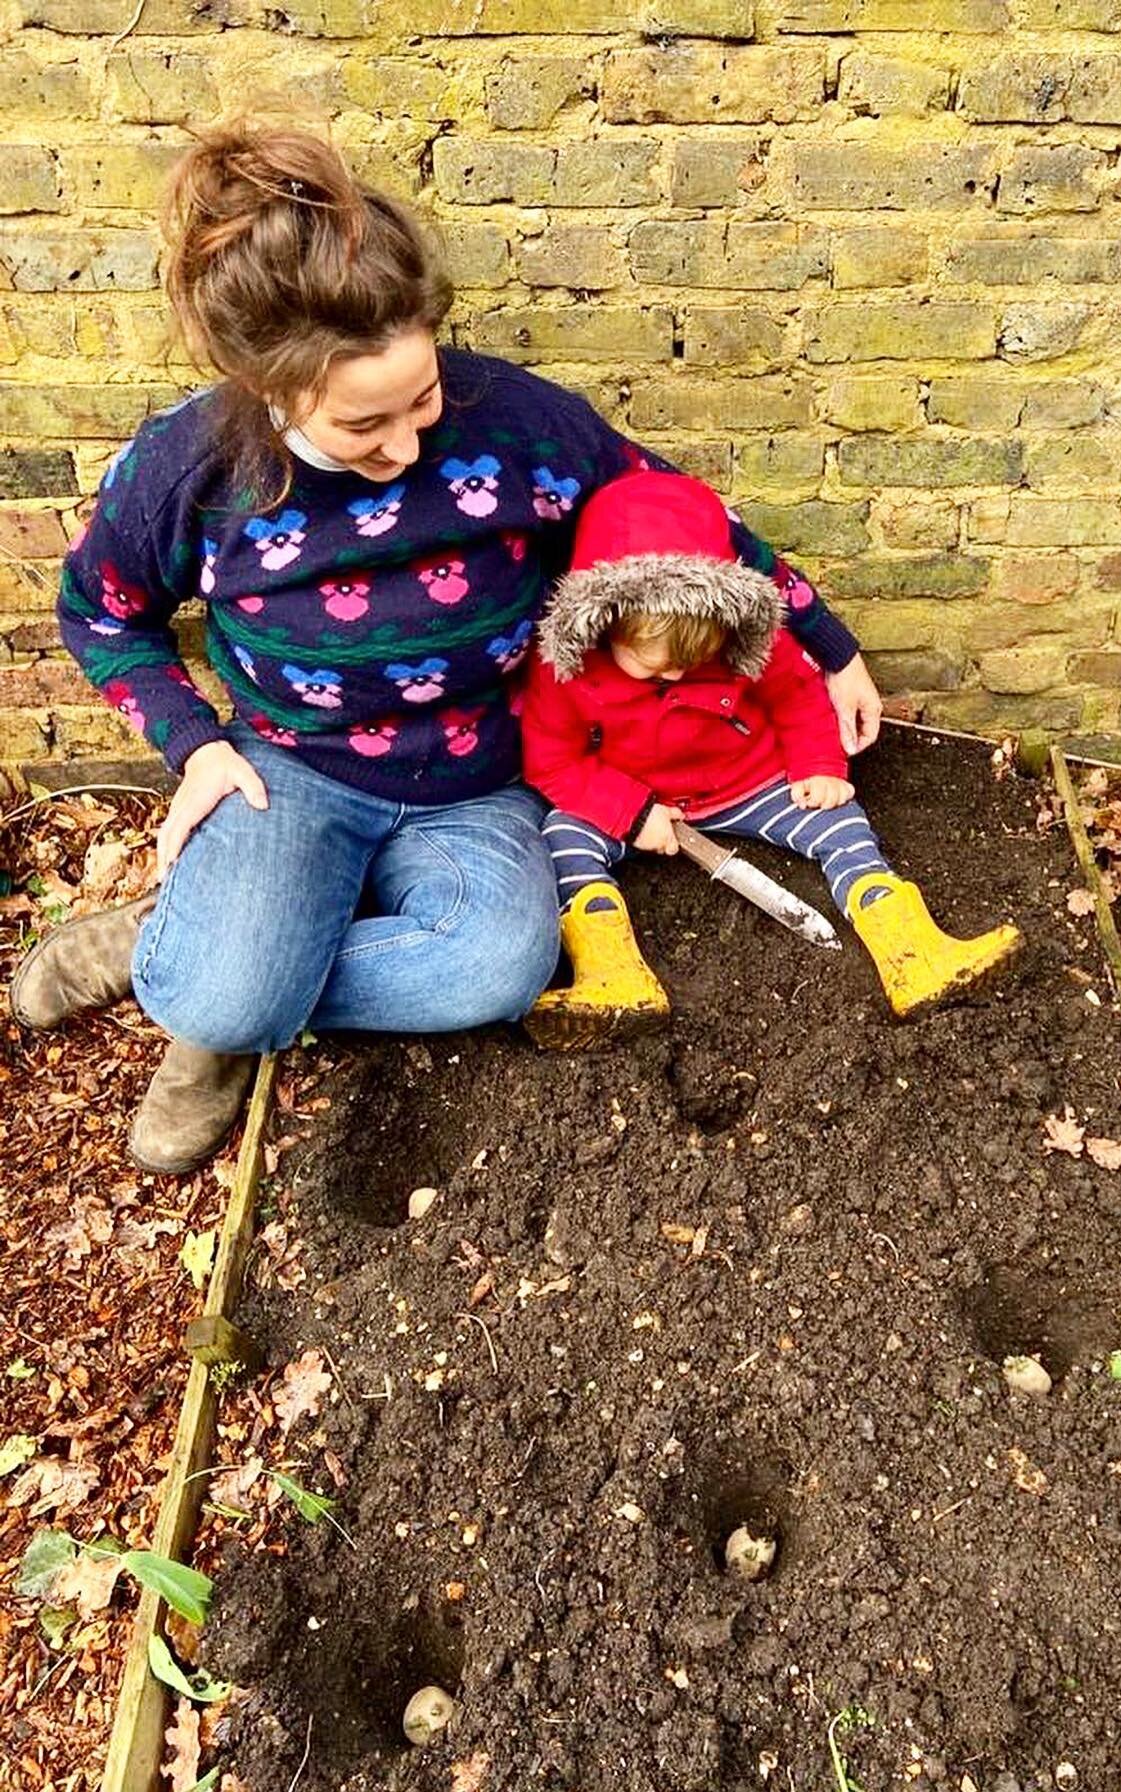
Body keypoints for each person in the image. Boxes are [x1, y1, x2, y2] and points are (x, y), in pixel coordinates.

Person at [7, 115, 882, 1175]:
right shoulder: (191, 465)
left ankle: (217, 981)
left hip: (484, 779)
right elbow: (101, 612)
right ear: (272, 386)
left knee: (497, 971)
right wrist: (193, 741)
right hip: (295, 770)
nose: (410, 444)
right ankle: (217, 993)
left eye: (419, 400)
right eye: (364, 426)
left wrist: (825, 642)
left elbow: (672, 512)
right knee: (230, 983)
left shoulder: (513, 420)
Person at [520, 469, 1022, 1047]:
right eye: (654, 666)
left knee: (840, 822)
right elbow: (553, 764)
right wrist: (632, 813)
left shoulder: (748, 640)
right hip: (640, 799)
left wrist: (819, 766)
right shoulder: (565, 670)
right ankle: (612, 975)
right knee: (562, 836)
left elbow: (798, 696)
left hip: (748, 784)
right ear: (604, 622)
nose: (677, 675)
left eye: (693, 660)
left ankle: (912, 952)